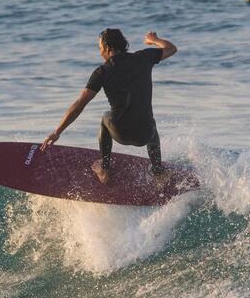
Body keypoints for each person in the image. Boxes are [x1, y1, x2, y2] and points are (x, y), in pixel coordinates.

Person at [41, 28, 177, 184]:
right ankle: (158, 171)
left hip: (121, 133)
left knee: (105, 117)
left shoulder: (102, 72)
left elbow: (79, 104)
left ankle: (104, 169)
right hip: (144, 135)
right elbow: (171, 48)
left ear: (107, 48)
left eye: (100, 48)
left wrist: (57, 132)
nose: (100, 52)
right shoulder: (144, 57)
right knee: (150, 122)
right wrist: (154, 39)